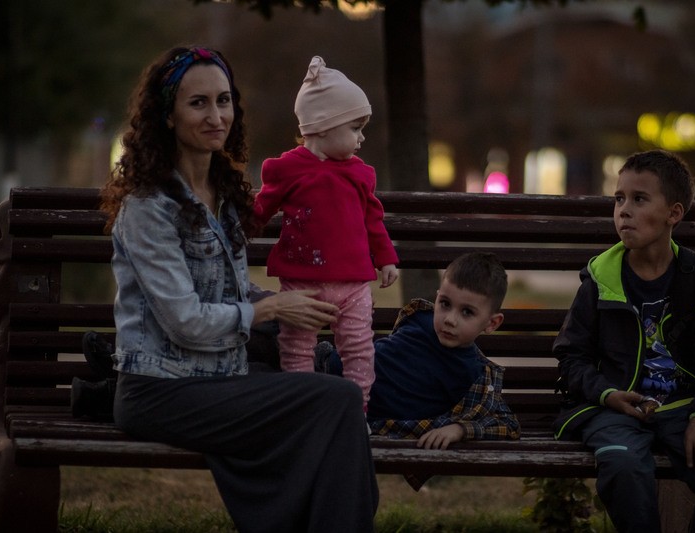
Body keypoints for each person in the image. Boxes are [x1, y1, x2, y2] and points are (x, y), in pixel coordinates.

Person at [99, 45, 378, 532]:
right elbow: (185, 320)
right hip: (162, 391)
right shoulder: (149, 208)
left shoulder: (222, 193)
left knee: (324, 379)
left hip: (216, 376)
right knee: (332, 398)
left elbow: (229, 290)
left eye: (223, 100)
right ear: (166, 115)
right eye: (198, 103)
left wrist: (280, 302)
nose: (216, 115)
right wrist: (271, 312)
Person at [552, 150, 695, 532]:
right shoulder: (600, 280)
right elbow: (571, 359)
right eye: (619, 199)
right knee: (623, 464)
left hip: (683, 407)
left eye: (639, 199)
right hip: (614, 410)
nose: (624, 210)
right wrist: (608, 394)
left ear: (674, 213)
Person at [253, 56, 399, 412]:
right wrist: (238, 228)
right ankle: (302, 409)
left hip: (353, 285)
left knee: (358, 347)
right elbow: (261, 208)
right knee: (296, 346)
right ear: (321, 126)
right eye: (355, 128)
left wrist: (386, 259)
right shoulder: (287, 169)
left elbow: (373, 221)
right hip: (302, 282)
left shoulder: (359, 173)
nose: (361, 138)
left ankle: (356, 410)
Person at [317, 252, 520, 450]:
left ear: (492, 323)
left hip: (341, 406)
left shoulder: (474, 376)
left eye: (467, 312)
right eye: (445, 304)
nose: (449, 319)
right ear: (437, 297)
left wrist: (459, 429)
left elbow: (508, 424)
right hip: (323, 366)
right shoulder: (419, 317)